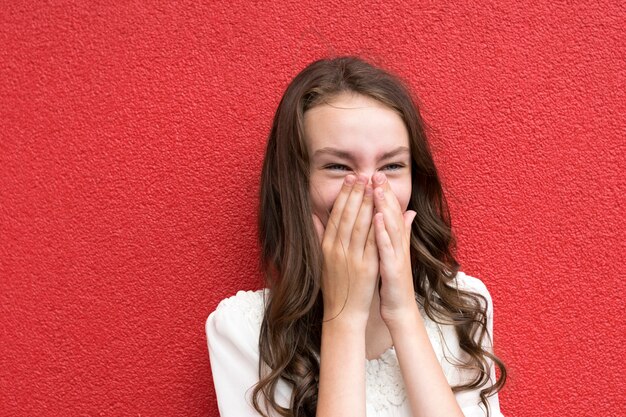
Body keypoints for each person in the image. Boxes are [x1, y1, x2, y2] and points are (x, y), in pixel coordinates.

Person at [205, 56, 507, 417]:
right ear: (295, 185)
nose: (370, 190)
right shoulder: (241, 330)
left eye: (392, 166)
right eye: (338, 167)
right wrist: (344, 316)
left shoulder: (464, 306)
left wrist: (403, 313)